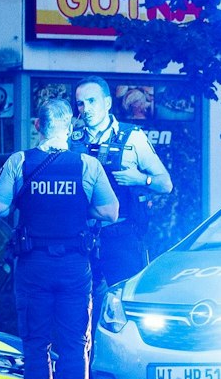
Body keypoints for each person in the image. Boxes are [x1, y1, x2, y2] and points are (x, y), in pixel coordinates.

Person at [0, 99, 119, 379]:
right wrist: (81, 213)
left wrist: (24, 200)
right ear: (70, 127)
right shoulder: (86, 165)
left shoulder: (20, 162)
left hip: (34, 266)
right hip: (75, 265)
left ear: (37, 125)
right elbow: (111, 212)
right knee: (76, 344)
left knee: (35, 343)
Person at [70, 77, 173, 301]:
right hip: (80, 238)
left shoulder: (132, 137)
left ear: (107, 103)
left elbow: (165, 184)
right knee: (79, 307)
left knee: (126, 302)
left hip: (121, 236)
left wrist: (140, 179)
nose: (86, 109)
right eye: (80, 103)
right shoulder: (71, 141)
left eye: (91, 101)